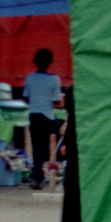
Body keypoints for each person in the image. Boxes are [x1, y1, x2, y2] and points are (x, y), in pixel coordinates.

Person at [23, 48, 64, 189]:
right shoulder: (54, 79)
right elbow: (57, 101)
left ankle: (36, 177)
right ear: (50, 62)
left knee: (36, 148)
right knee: (47, 147)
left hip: (33, 115)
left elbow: (25, 97)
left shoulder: (30, 78)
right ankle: (47, 174)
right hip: (48, 116)